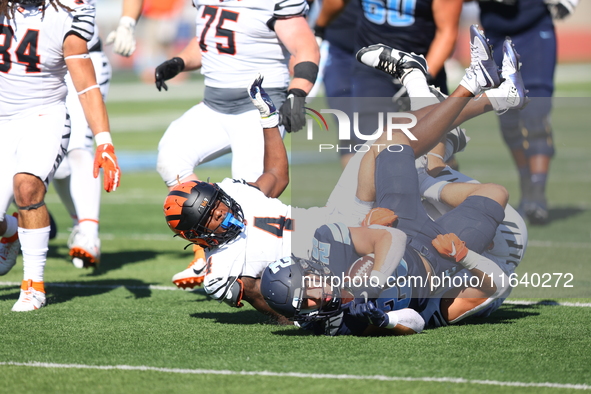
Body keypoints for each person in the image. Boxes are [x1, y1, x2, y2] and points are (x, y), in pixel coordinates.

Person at [162, 25, 527, 323]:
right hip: (333, 263)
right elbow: (271, 301)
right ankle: (481, 95)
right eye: (211, 217)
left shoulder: (236, 195)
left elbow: (276, 174)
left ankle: (482, 96)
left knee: (391, 146)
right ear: (198, 234)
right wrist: (310, 315)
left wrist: (267, 119)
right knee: (420, 167)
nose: (222, 212)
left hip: (337, 222)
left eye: (216, 204)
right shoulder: (222, 269)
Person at [156, 0, 320, 286]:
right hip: (214, 104)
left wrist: (298, 92)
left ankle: (269, 274)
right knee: (171, 157)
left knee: (250, 195)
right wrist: (180, 62)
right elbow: (214, 38)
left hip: (257, 105)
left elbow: (305, 47)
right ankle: (204, 253)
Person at [0, 0, 121, 311]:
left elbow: (85, 85)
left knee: (27, 187)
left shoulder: (66, 14)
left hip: (44, 115)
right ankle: (11, 232)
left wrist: (104, 141)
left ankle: (33, 286)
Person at [51, 0, 143, 268]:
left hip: (84, 57)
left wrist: (127, 23)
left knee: (78, 145)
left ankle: (89, 235)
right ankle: (71, 221)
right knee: (54, 162)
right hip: (38, 65)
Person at [314, 0, 463, 160]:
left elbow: (446, 33)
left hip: (423, 66)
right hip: (373, 69)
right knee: (376, 147)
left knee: (437, 157)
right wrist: (319, 29)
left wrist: (420, 80)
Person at [472, 0, 579, 225]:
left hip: (534, 28)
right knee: (508, 120)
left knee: (536, 116)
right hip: (496, 32)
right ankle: (526, 183)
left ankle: (537, 195)